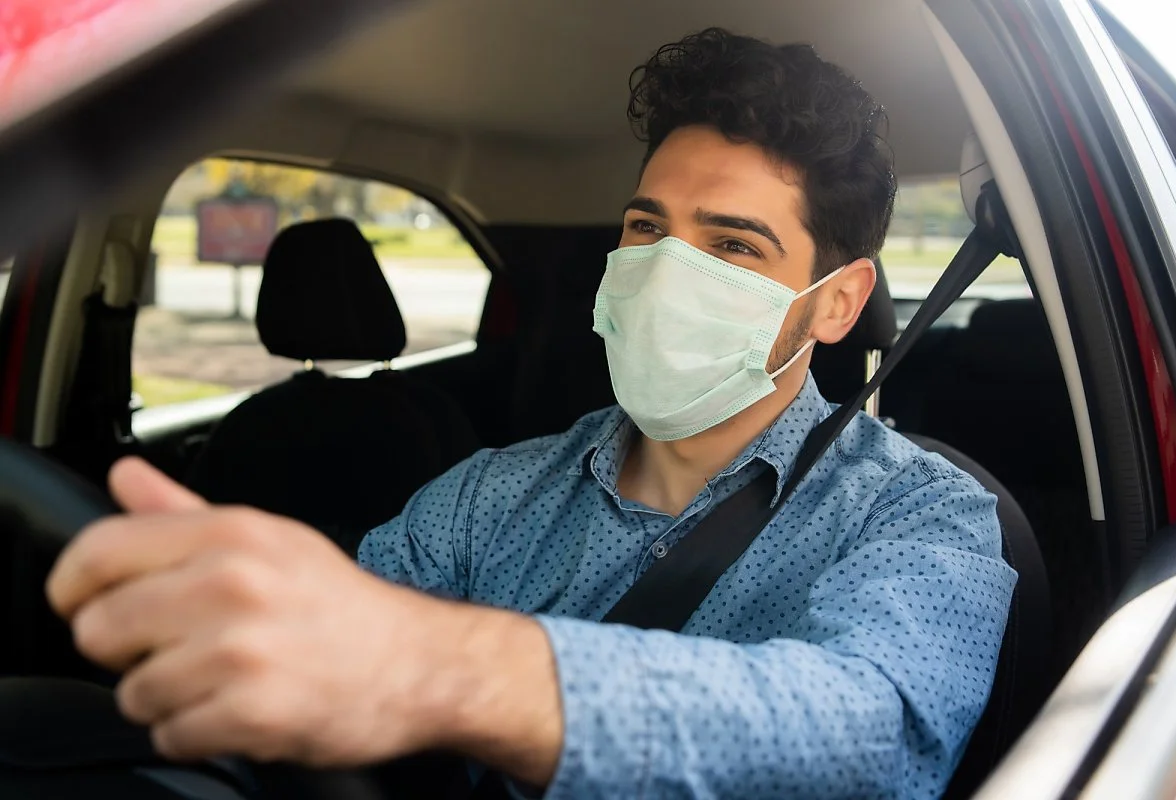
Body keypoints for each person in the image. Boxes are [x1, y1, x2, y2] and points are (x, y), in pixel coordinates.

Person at [47, 28, 1016, 800]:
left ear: (836, 303)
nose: (664, 272)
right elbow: (325, 640)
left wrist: (445, 669)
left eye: (732, 246)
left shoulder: (921, 512)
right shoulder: (490, 495)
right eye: (646, 228)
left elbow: (877, 736)